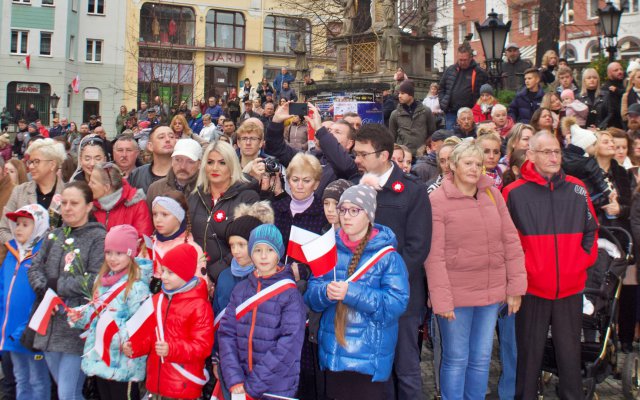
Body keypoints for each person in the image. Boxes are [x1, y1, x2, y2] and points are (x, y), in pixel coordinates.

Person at [426, 140, 526, 400]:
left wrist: (515, 287)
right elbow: (433, 256)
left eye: (478, 164)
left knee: (481, 359)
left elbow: (511, 240)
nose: (474, 168)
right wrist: (442, 299)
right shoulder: (437, 200)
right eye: (468, 163)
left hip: (491, 293)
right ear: (454, 166)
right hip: (456, 296)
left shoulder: (493, 195)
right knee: (456, 358)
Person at [503, 131, 599, 400]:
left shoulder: (578, 188)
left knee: (570, 357)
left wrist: (579, 263)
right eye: (546, 152)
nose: (554, 157)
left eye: (557, 151)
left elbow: (592, 231)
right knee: (529, 358)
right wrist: (523, 274)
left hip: (570, 288)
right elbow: (505, 242)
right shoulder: (513, 193)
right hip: (532, 290)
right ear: (530, 155)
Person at [305, 183, 409, 400]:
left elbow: (395, 304)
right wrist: (326, 292)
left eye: (354, 210)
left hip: (369, 357)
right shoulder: (328, 247)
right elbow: (312, 297)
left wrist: (351, 293)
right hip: (334, 352)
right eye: (343, 210)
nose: (346, 216)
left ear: (369, 214)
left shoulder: (388, 256)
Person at [351, 124, 431, 399]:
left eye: (362, 154)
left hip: (400, 298)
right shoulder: (357, 188)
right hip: (363, 296)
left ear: (383, 155)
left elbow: (417, 248)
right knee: (372, 370)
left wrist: (383, 280)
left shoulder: (412, 191)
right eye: (356, 154)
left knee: (406, 368)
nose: (357, 160)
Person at [27, 181, 107, 400]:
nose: (68, 208)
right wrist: (46, 293)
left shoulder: (98, 237)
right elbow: (34, 268)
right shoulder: (54, 235)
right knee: (65, 392)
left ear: (89, 206)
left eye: (74, 203)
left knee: (67, 393)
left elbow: (93, 279)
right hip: (48, 325)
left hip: (76, 326)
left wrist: (56, 286)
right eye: (64, 203)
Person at [217, 224, 306, 399]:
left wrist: (252, 387)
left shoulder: (290, 295)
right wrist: (235, 380)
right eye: (257, 250)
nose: (263, 256)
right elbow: (227, 334)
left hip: (276, 390)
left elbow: (288, 346)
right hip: (240, 386)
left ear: (278, 253)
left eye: (270, 250)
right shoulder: (241, 290)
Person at [66, 225, 149, 400]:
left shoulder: (137, 287)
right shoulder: (102, 281)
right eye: (109, 252)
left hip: (123, 364)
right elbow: (94, 314)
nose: (112, 258)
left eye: (119, 253)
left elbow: (140, 326)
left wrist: (118, 337)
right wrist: (80, 316)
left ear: (130, 253)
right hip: (100, 359)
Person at [123, 243, 214, 400]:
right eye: (163, 270)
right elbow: (150, 336)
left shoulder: (199, 306)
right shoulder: (158, 300)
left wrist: (172, 349)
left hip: (182, 387)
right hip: (155, 385)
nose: (163, 276)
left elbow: (203, 347)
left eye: (170, 273)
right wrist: (134, 347)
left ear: (185, 274)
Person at [188, 141, 259, 282]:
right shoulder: (194, 196)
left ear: (232, 166)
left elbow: (247, 246)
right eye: (210, 162)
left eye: (222, 163)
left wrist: (214, 275)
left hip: (232, 278)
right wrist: (198, 274)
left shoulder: (247, 198)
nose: (215, 168)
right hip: (195, 276)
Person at [0, 204, 51, 400]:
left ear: (38, 226)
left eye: (25, 224)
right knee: (20, 378)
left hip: (31, 334)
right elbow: (2, 289)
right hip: (10, 333)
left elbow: (42, 297)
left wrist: (26, 328)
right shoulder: (12, 252)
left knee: (37, 380)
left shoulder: (42, 255)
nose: (19, 229)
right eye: (17, 224)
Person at [0, 140, 66, 243]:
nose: (30, 166)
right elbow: (3, 229)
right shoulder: (20, 191)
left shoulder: (67, 194)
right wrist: (23, 248)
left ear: (52, 165)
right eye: (30, 162)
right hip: (21, 257)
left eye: (36, 162)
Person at [148, 191, 206, 293]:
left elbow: (200, 285)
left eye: (165, 214)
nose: (158, 219)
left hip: (179, 304)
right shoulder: (150, 244)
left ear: (179, 217)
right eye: (155, 214)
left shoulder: (192, 248)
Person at [273, 153, 328, 260]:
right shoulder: (277, 208)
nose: (300, 186)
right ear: (289, 182)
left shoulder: (323, 212)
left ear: (316, 184)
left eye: (306, 180)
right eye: (295, 180)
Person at [89, 162, 153, 237]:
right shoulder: (89, 206)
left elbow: (143, 241)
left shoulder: (136, 204)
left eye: (93, 182)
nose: (88, 185)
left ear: (106, 187)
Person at [559, 117, 611, 206]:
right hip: (588, 198)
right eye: (593, 144)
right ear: (585, 145)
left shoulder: (562, 157)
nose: (596, 147)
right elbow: (599, 179)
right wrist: (608, 192)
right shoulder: (588, 162)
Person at [439, 43, 489, 130]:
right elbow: (441, 88)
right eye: (460, 60)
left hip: (471, 113)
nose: (462, 62)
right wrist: (443, 102)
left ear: (470, 58)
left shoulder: (479, 73)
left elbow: (486, 93)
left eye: (465, 60)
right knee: (451, 138)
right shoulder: (450, 70)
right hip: (452, 112)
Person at [146, 138, 202, 208]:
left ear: (199, 164)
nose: (183, 167)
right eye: (178, 160)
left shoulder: (207, 191)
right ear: (172, 160)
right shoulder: (155, 189)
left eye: (190, 161)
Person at [389, 80, 436, 156]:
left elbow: (432, 133)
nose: (399, 96)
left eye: (402, 93)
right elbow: (392, 138)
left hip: (422, 156)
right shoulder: (395, 114)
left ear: (411, 95)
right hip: (403, 156)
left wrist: (424, 146)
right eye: (399, 93)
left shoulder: (426, 111)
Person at [128, 125, 177, 193]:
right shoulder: (137, 175)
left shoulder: (185, 174)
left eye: (171, 137)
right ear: (150, 146)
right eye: (161, 137)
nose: (168, 140)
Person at [601, 61, 626, 129]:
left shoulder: (625, 85)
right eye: (616, 70)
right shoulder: (606, 88)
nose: (620, 72)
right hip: (613, 125)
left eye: (621, 69)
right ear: (609, 73)